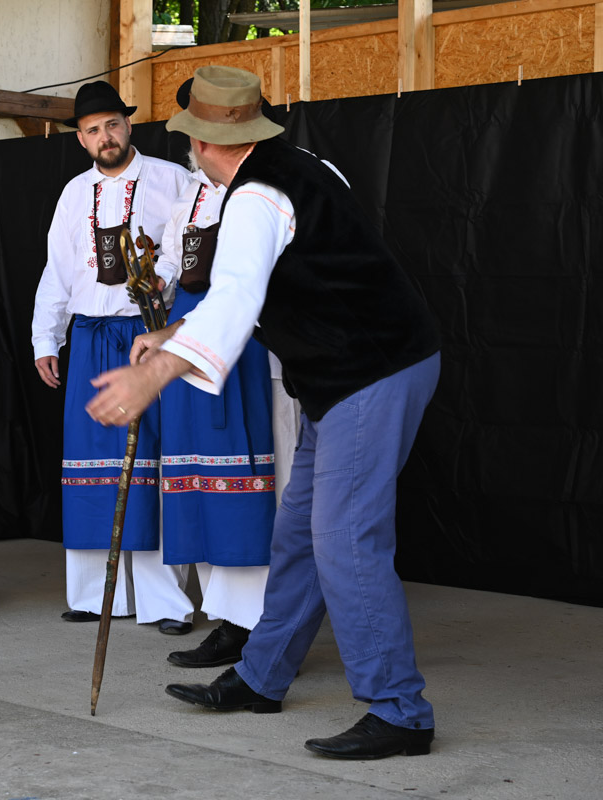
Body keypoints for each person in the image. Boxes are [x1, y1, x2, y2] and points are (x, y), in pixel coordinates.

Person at [86, 66, 442, 760]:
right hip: (344, 375)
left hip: (372, 370)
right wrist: (172, 334)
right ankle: (262, 676)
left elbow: (235, 297)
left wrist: (153, 375)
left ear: (201, 142)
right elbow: (280, 282)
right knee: (300, 535)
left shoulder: (255, 197)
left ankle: (401, 710)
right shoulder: (300, 167)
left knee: (344, 539)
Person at [31, 81, 196, 633]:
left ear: (128, 126)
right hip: (88, 336)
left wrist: (161, 283)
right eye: (93, 130)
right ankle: (92, 596)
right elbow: (57, 270)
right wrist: (45, 339)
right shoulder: (73, 193)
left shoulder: (172, 180)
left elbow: (186, 251)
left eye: (113, 125)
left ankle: (163, 602)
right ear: (81, 139)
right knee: (89, 461)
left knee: (147, 462)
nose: (105, 137)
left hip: (146, 336)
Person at [155, 79, 278, 669]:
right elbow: (172, 262)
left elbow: (249, 287)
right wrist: (154, 286)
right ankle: (224, 616)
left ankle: (254, 625)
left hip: (243, 346)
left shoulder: (262, 192)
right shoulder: (189, 195)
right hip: (190, 337)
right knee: (197, 480)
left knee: (243, 483)